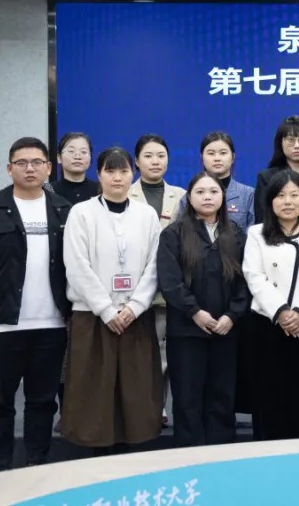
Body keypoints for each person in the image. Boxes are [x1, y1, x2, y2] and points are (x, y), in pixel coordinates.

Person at [0, 137, 71, 472]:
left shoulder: (64, 209)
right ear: (9, 169)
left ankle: (37, 464)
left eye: (37, 162)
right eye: (21, 163)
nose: (29, 168)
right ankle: (1, 468)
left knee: (43, 402)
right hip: (1, 324)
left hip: (52, 324)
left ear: (48, 168)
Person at [60, 147, 163, 455]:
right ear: (99, 174)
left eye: (123, 171)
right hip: (93, 316)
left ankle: (134, 455)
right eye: (110, 171)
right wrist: (106, 310)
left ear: (133, 174)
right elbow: (76, 265)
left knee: (136, 389)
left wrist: (134, 306)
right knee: (95, 390)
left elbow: (155, 266)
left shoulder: (146, 215)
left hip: (135, 317)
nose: (117, 177)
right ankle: (96, 456)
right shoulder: (82, 213)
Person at [157, 172, 247, 447]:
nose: (207, 197)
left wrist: (232, 315)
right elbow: (169, 281)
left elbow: (246, 281)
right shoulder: (173, 234)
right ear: (189, 197)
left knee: (222, 398)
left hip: (226, 331)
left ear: (223, 197)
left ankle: (221, 457)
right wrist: (195, 312)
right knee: (188, 399)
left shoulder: (236, 235)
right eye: (200, 192)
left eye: (213, 192)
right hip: (186, 331)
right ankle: (190, 457)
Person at [242, 170, 299, 440]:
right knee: (269, 393)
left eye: (294, 195)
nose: (288, 201)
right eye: (281, 196)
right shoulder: (256, 233)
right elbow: (254, 275)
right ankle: (266, 450)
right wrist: (281, 311)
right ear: (270, 201)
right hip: (267, 324)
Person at [129, 133, 186, 429]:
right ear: (136, 162)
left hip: (171, 289)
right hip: (135, 289)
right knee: (142, 354)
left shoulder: (182, 195)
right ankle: (144, 408)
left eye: (161, 156)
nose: (155, 161)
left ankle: (161, 407)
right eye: (148, 156)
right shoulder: (124, 193)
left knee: (167, 355)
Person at [178, 131, 256, 232]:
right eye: (211, 153)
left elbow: (253, 234)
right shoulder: (190, 196)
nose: (217, 158)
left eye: (223, 153)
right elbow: (182, 232)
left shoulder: (248, 195)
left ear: (233, 157)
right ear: (202, 158)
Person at [52, 132, 97, 205]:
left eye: (83, 152)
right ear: (59, 158)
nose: (77, 156)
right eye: (71, 151)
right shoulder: (48, 191)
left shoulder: (100, 190)